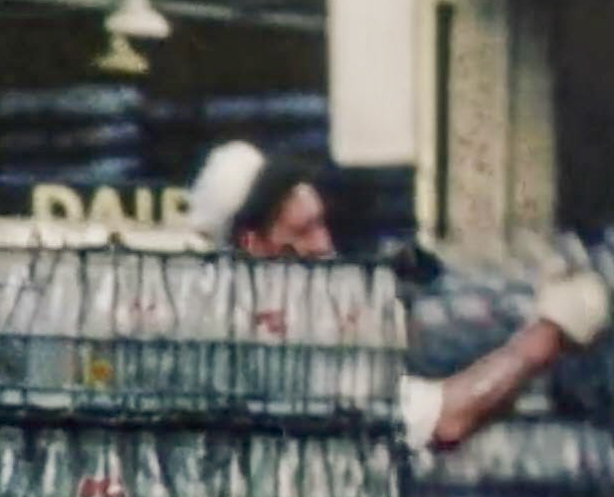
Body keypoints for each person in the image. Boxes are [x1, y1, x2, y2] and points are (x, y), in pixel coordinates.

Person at [187, 140, 611, 449]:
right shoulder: (272, 351)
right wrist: (551, 331)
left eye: (322, 225)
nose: (324, 245)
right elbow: (445, 421)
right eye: (303, 231)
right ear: (252, 244)